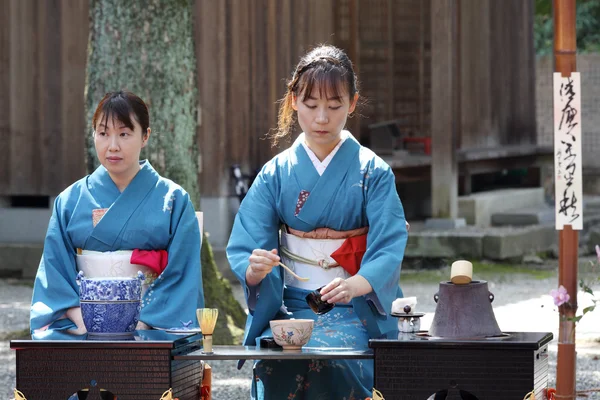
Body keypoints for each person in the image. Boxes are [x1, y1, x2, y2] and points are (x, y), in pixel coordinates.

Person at [227, 45, 408, 399]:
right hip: (290, 307)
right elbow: (250, 241)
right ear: (294, 101)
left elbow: (389, 242)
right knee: (279, 362)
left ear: (353, 103)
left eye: (335, 105)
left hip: (354, 307)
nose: (322, 118)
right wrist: (255, 271)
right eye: (311, 105)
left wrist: (358, 284)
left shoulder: (373, 171)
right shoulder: (276, 173)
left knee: (335, 358)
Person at [30, 90, 204, 334]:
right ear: (93, 136)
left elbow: (182, 272)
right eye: (103, 134)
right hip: (82, 323)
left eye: (124, 134)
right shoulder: (69, 201)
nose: (113, 146)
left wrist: (141, 322)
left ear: (145, 136)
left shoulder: (174, 200)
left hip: (151, 324)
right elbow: (54, 270)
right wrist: (82, 318)